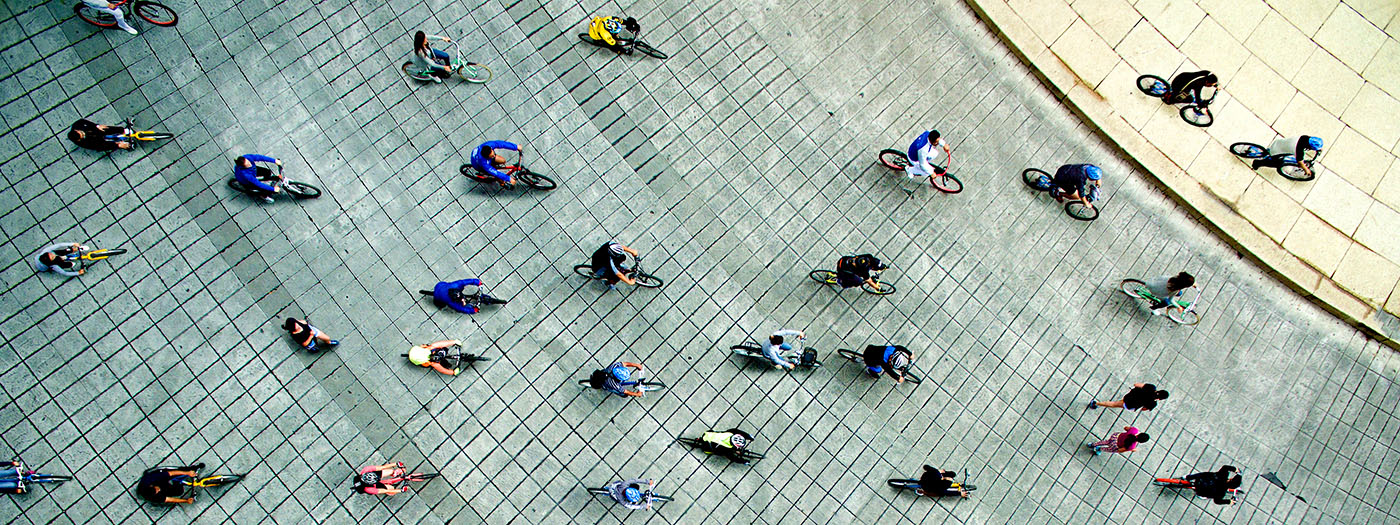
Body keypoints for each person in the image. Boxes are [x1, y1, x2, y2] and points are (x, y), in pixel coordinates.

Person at [1252, 135, 1323, 179]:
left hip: (1279, 143)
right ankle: (1257, 163)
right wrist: (1306, 169)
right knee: (1276, 163)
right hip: (1276, 151)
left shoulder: (1305, 137)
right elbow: (1300, 163)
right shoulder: (1299, 151)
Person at [136, 463, 205, 504]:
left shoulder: (149, 479)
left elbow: (171, 473)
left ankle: (193, 468)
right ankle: (177, 481)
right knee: (178, 492)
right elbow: (169, 499)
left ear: (151, 485)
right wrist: (186, 501)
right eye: (157, 492)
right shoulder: (153, 497)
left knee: (182, 471)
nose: (158, 490)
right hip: (159, 483)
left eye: (156, 489)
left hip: (159, 478)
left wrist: (188, 473)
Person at [1089, 383, 1169, 411]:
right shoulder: (1153, 403)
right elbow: (1144, 409)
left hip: (1130, 395)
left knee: (1117, 402)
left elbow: (1136, 384)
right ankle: (1096, 403)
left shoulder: (1152, 387)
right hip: (1130, 404)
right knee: (1113, 404)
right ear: (1161, 399)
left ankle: (1098, 404)